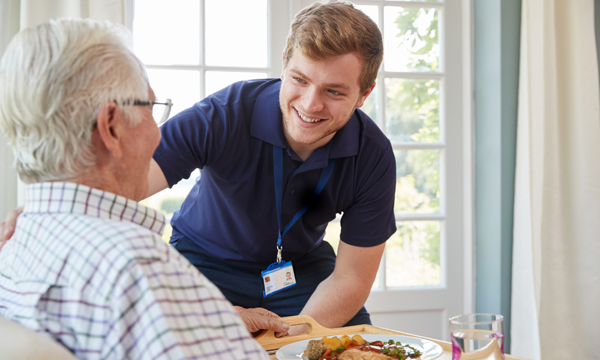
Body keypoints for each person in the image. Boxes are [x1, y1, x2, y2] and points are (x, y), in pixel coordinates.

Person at [2, 0, 396, 332]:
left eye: (333, 91)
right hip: (204, 262)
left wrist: (290, 338)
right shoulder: (223, 115)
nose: (310, 104)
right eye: (299, 79)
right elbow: (122, 182)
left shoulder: (373, 154)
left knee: (350, 345)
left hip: (299, 271)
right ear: (284, 63)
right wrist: (44, 213)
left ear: (364, 93)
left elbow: (351, 277)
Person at [0, 18, 283, 359]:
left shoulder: (14, 245)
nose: (158, 133)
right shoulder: (139, 269)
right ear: (111, 127)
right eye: (150, 108)